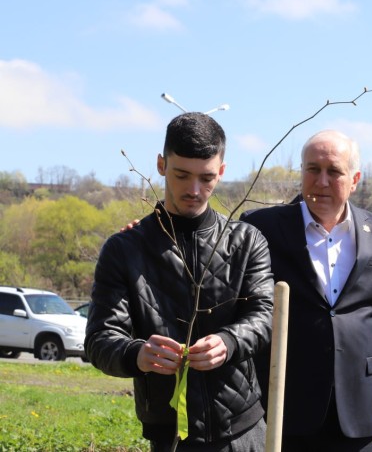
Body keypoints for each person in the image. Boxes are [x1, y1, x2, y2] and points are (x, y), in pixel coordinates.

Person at [85, 112, 275, 451]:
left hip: (243, 430)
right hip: (169, 433)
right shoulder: (124, 249)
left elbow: (265, 316)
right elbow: (100, 338)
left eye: (207, 177)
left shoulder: (247, 241)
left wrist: (229, 342)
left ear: (222, 171)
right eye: (182, 175)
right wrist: (137, 354)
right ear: (161, 165)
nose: (194, 190)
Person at [241, 129, 372, 452]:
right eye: (313, 169)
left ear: (354, 179)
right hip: (284, 411)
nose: (322, 181)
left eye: (334, 171)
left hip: (357, 416)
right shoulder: (261, 228)